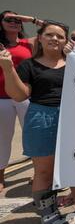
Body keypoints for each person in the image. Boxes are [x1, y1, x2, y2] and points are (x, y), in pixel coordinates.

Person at [0, 20, 75, 224]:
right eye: (50, 35)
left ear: (66, 41)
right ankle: (50, 214)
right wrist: (7, 68)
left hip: (73, 118)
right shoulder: (28, 65)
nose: (55, 39)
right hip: (41, 116)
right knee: (44, 170)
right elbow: (19, 95)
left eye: (60, 36)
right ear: (40, 38)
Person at [0, 11, 42, 192]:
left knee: (32, 137)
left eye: (17, 20)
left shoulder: (28, 43)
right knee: (2, 139)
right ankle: (0, 177)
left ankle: (38, 173)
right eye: (9, 19)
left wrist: (31, 19)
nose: (14, 22)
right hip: (1, 98)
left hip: (26, 97)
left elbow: (52, 28)